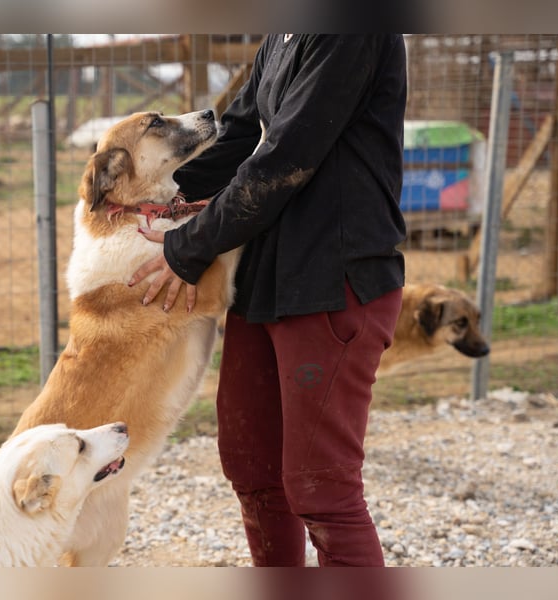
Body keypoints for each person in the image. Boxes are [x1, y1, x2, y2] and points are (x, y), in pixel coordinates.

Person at [129, 34, 407, 567]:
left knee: (322, 489)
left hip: (334, 275)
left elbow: (284, 159)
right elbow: (236, 136)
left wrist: (185, 246)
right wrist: (158, 195)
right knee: (252, 469)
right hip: (268, 273)